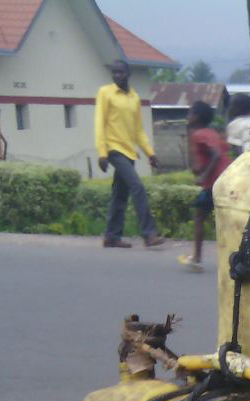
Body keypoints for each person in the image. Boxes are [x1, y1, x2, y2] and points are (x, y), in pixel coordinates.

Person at [94, 60, 164, 249]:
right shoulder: (105, 93)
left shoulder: (134, 97)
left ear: (128, 73)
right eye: (114, 73)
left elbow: (138, 131)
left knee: (120, 195)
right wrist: (102, 153)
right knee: (137, 186)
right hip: (114, 149)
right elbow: (99, 123)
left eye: (120, 73)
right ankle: (149, 233)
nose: (117, 76)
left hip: (130, 152)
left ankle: (111, 236)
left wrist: (150, 153)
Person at [178, 100, 232, 273]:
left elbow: (216, 155)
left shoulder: (200, 134)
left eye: (190, 113)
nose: (188, 117)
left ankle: (197, 258)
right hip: (227, 180)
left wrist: (204, 175)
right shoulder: (210, 133)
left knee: (200, 217)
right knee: (228, 221)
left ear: (197, 117)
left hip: (215, 184)